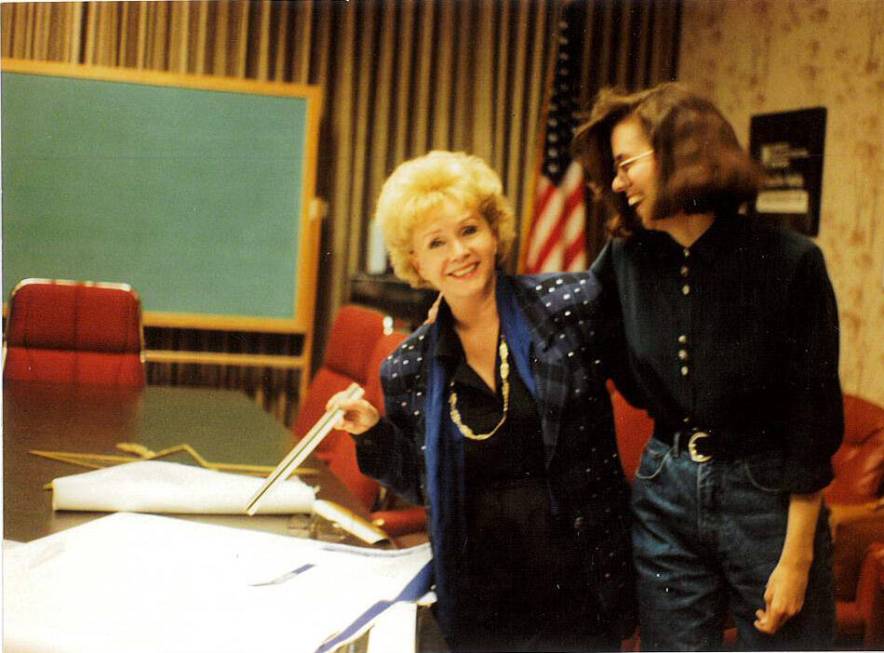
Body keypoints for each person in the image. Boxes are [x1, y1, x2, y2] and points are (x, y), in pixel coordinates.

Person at [329, 151, 635, 652]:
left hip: (579, 583)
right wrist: (371, 432)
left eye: (469, 230)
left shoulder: (569, 307)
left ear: (494, 232)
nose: (459, 252)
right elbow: (422, 481)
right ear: (417, 264)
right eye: (436, 242)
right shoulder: (407, 368)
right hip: (481, 597)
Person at [573, 83, 842, 650]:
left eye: (626, 165)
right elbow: (565, 322)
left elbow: (811, 418)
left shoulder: (792, 262)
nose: (618, 183)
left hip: (767, 501)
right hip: (664, 490)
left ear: (678, 157)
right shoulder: (626, 256)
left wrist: (797, 558)